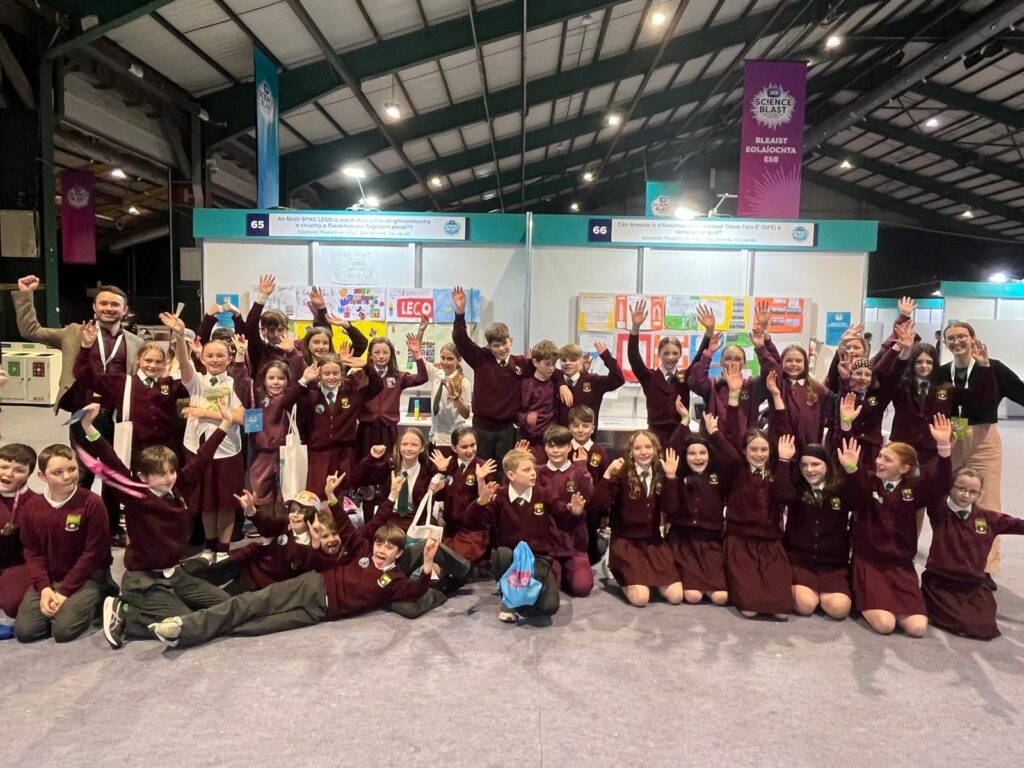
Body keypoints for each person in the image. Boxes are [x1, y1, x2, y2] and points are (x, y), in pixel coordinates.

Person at [146, 514, 441, 649]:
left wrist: (428, 564)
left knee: (255, 626)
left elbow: (416, 591)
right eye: (379, 543)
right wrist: (332, 497)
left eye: (389, 547)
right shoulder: (362, 552)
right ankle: (184, 628)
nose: (381, 550)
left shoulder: (395, 579)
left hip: (320, 613)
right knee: (251, 603)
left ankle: (192, 628)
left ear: (398, 553)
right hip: (312, 586)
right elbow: (344, 525)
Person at [77, 402, 232, 648]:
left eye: (171, 471)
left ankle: (161, 607)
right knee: (187, 623)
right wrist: (88, 426)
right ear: (142, 477)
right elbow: (111, 459)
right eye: (160, 474)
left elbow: (203, 457)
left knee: (225, 604)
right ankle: (125, 614)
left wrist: (225, 424)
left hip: (175, 574)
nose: (169, 478)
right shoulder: (136, 495)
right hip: (144, 580)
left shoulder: (180, 486)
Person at [12, 275, 144, 543]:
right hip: (82, 414)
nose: (109, 309)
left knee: (114, 474)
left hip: (117, 417)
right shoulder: (73, 332)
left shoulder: (135, 343)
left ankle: (110, 529)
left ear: (125, 310)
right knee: (80, 472)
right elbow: (31, 330)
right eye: (103, 304)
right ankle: (75, 526)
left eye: (115, 305)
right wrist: (25, 295)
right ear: (94, 307)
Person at [848, 415, 953, 637]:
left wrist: (944, 448)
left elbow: (941, 484)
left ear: (905, 468)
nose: (879, 462)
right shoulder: (868, 481)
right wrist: (851, 468)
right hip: (870, 562)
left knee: (917, 628)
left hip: (901, 565)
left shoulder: (913, 489)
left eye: (887, 460)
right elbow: (852, 490)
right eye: (880, 456)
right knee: (884, 624)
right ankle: (864, 595)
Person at [937, 320, 1024, 572]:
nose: (957, 342)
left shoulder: (993, 368)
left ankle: (985, 566)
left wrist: (984, 365)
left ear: (972, 338)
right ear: (945, 343)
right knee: (949, 497)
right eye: (951, 338)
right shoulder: (942, 373)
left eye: (962, 336)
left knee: (986, 501)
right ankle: (950, 558)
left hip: (984, 438)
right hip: (953, 435)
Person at [451, 286, 568, 462]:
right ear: (489, 346)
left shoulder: (521, 363)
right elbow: (461, 340)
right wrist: (460, 313)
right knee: (481, 467)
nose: (501, 349)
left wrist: (562, 384)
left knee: (506, 468)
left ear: (510, 341)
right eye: (495, 346)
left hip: (507, 429)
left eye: (504, 344)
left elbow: (548, 367)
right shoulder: (480, 359)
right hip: (481, 428)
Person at [167, 312, 246, 563]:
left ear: (229, 358)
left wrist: (203, 412)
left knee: (226, 502)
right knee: (206, 501)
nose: (215, 360)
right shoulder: (196, 382)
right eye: (210, 355)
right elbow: (183, 363)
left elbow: (242, 417)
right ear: (202, 357)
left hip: (227, 450)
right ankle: (209, 545)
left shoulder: (236, 384)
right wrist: (180, 336)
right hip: (197, 449)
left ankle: (223, 548)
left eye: (220, 355)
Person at [474, 448, 586, 622]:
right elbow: (476, 523)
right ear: (511, 475)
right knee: (502, 554)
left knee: (549, 608)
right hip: (510, 559)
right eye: (527, 470)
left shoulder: (544, 494)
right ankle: (508, 599)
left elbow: (564, 517)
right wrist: (480, 504)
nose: (533, 473)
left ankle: (520, 597)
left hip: (538, 558)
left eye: (533, 469)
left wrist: (575, 513)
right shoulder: (499, 496)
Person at [15, 445, 113, 643]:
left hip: (88, 577)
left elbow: (94, 554)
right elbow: (32, 552)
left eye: (72, 469)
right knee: (26, 632)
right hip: (52, 576)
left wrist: (64, 592)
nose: (67, 476)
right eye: (57, 473)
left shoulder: (92, 503)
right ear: (42, 476)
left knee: (63, 631)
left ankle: (104, 595)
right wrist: (44, 588)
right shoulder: (31, 508)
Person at [922, 468, 1024, 640]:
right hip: (941, 582)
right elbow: (938, 481)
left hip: (973, 584)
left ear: (979, 494)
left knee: (986, 626)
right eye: (961, 488)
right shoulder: (939, 511)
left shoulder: (987, 518)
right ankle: (929, 602)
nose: (966, 495)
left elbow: (1018, 525)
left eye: (972, 492)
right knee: (964, 623)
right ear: (951, 487)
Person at [74, 320, 189, 470]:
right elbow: (84, 376)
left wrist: (184, 342)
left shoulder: (169, 384)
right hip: (135, 452)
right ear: (137, 359)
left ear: (164, 363)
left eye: (158, 362)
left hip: (167, 452)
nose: (153, 365)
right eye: (148, 360)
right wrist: (86, 347)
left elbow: (194, 384)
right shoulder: (122, 382)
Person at [591, 431, 682, 607]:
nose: (644, 452)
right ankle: (615, 569)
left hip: (653, 542)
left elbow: (671, 508)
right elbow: (597, 506)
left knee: (676, 596)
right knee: (641, 599)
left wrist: (671, 477)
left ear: (655, 449)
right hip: (626, 543)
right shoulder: (622, 473)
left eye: (648, 447)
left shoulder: (661, 472)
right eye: (638, 448)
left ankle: (643, 577)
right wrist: (608, 476)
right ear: (631, 451)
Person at [777, 441, 858, 620]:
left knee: (839, 609)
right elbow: (782, 494)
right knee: (805, 605)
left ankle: (822, 594)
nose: (809, 470)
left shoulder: (839, 490)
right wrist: (783, 461)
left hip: (833, 566)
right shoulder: (797, 489)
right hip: (800, 562)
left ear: (827, 466)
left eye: (815, 464)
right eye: (804, 465)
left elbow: (858, 498)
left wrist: (852, 470)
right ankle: (810, 592)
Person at [668, 413, 738, 606]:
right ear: (685, 457)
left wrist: (714, 432)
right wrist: (683, 423)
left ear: (710, 455)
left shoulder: (719, 476)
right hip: (684, 543)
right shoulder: (678, 477)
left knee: (721, 597)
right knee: (693, 596)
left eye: (702, 453)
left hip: (711, 544)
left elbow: (733, 460)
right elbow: (671, 450)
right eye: (692, 453)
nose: (698, 457)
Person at [627, 301, 710, 451]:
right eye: (666, 353)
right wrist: (635, 328)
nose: (670, 357)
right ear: (659, 354)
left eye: (675, 353)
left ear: (680, 355)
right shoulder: (649, 377)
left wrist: (709, 332)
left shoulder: (685, 376)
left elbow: (699, 357)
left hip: (682, 434)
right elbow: (634, 357)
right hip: (655, 437)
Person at [535, 425, 594, 597]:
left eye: (560, 446)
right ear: (545, 447)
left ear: (569, 447)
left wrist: (577, 512)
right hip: (546, 545)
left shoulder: (579, 472)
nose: (555, 451)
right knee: (548, 588)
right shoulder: (537, 473)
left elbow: (590, 499)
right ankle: (558, 572)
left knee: (582, 587)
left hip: (573, 543)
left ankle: (571, 571)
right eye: (551, 446)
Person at [357, 330, 429, 457]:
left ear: (391, 355)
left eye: (385, 352)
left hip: (389, 430)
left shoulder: (398, 377)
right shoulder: (361, 376)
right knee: (364, 464)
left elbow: (422, 378)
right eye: (376, 352)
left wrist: (417, 355)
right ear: (370, 355)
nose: (381, 356)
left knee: (391, 463)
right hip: (366, 430)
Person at [431, 426, 496, 566]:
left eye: (473, 445)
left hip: (473, 530)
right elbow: (439, 496)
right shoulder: (448, 465)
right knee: (433, 553)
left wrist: (480, 479)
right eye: (464, 447)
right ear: (454, 448)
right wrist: (441, 472)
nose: (470, 450)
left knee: (457, 559)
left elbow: (486, 502)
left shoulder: (484, 467)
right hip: (450, 529)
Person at [0, 444, 37, 618]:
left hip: (17, 565)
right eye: (3, 467)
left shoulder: (36, 504)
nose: (8, 474)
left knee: (13, 603)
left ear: (29, 474)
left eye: (19, 470)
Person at [555, 342, 625, 430]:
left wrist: (606, 357)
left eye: (573, 360)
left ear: (580, 361)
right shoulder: (556, 382)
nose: (567, 363)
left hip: (586, 435)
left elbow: (618, 379)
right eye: (564, 360)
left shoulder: (593, 381)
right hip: (561, 436)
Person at [428, 342, 472, 454]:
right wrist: (420, 336)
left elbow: (466, 414)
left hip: (450, 440)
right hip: (434, 437)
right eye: (442, 358)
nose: (445, 362)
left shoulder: (463, 383)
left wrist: (456, 398)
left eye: (450, 359)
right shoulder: (437, 375)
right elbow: (419, 358)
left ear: (459, 360)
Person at [518, 340, 561, 451]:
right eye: (547, 364)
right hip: (529, 439)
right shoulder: (526, 385)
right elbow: (515, 412)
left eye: (553, 364)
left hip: (550, 438)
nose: (551, 368)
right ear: (535, 363)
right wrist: (526, 418)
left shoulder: (555, 383)